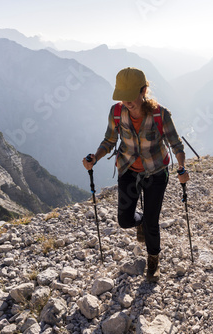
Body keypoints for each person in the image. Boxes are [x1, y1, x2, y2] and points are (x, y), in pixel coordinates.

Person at [83, 67, 189, 282]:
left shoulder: (160, 114)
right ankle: (139, 222)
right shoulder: (116, 112)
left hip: (156, 172)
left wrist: (181, 168)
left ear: (143, 90)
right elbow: (109, 140)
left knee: (152, 222)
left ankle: (153, 261)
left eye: (131, 97)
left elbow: (176, 143)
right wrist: (96, 157)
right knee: (124, 220)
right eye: (123, 97)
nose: (127, 102)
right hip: (128, 170)